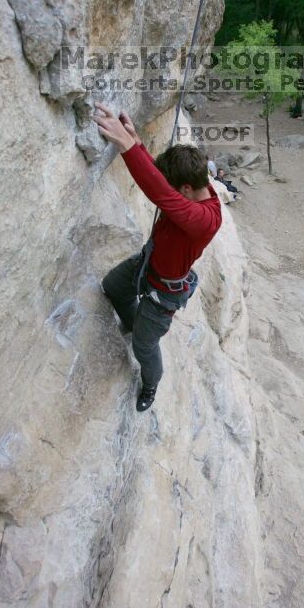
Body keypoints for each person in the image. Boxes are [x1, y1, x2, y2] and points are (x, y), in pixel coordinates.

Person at [92, 103, 222, 411]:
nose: (174, 195)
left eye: (178, 192)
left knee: (144, 344)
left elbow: (162, 194)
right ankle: (134, 321)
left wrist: (126, 148)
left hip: (164, 292)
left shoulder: (205, 218)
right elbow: (166, 187)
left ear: (187, 189)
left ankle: (150, 384)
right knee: (113, 286)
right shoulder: (195, 191)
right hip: (149, 265)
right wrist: (136, 142)